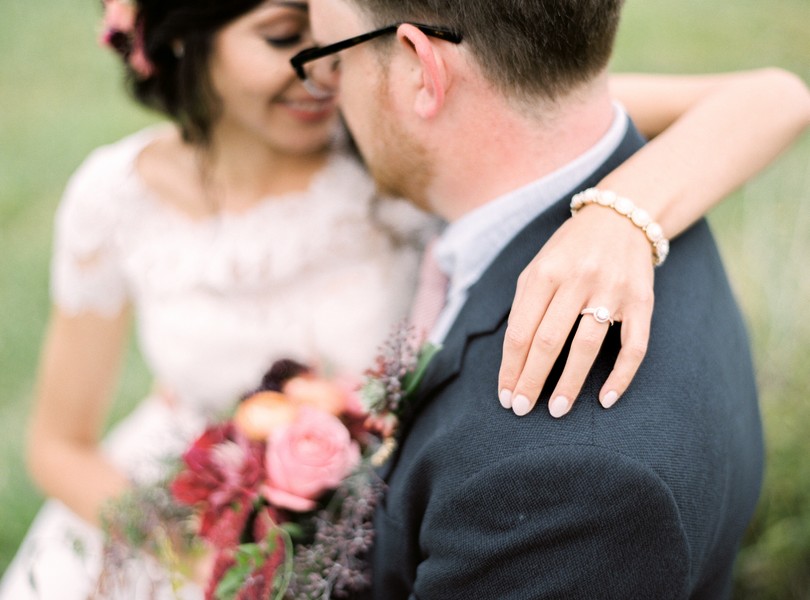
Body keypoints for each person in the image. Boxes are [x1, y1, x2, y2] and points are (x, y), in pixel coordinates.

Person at [1, 0, 808, 597]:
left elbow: (764, 97)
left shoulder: (394, 132)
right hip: (185, 517)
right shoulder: (117, 195)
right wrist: (208, 553)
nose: (318, 70)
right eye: (289, 41)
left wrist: (622, 217)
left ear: (417, 68)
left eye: (323, 41)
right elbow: (59, 441)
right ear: (184, 43)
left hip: (367, 519)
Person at [299, 0, 809, 598]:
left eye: (333, 59)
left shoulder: (567, 484)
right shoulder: (636, 182)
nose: (326, 95)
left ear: (420, 69)